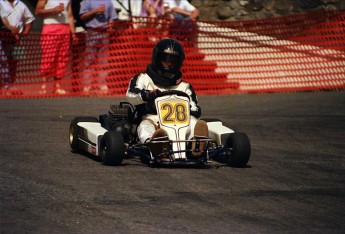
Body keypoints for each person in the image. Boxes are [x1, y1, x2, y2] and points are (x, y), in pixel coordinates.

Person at [126, 38, 208, 160]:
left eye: (172, 62)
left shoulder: (184, 87)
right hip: (152, 120)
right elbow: (131, 95)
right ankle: (156, 144)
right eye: (165, 61)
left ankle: (194, 145)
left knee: (193, 122)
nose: (168, 65)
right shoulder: (143, 79)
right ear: (157, 60)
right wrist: (146, 95)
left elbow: (195, 109)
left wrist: (188, 112)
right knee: (145, 127)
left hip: (181, 123)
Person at [36, 0, 77, 95]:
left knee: (62, 58)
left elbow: (70, 15)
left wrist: (73, 33)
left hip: (65, 29)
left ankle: (58, 86)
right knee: (48, 57)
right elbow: (38, 11)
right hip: (50, 27)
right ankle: (44, 86)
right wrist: (53, 10)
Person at [79, 0, 117, 94]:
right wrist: (95, 11)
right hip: (92, 32)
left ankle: (102, 84)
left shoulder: (108, 2)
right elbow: (82, 16)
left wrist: (111, 24)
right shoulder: (87, 1)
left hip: (104, 33)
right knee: (89, 60)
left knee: (103, 61)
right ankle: (87, 86)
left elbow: (113, 17)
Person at [0, 0, 35, 95]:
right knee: (3, 63)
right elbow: (3, 20)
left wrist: (26, 32)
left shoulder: (20, 4)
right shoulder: (1, 3)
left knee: (14, 62)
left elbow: (30, 19)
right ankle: (3, 86)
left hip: (17, 39)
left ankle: (10, 85)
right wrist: (11, 29)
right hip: (3, 37)